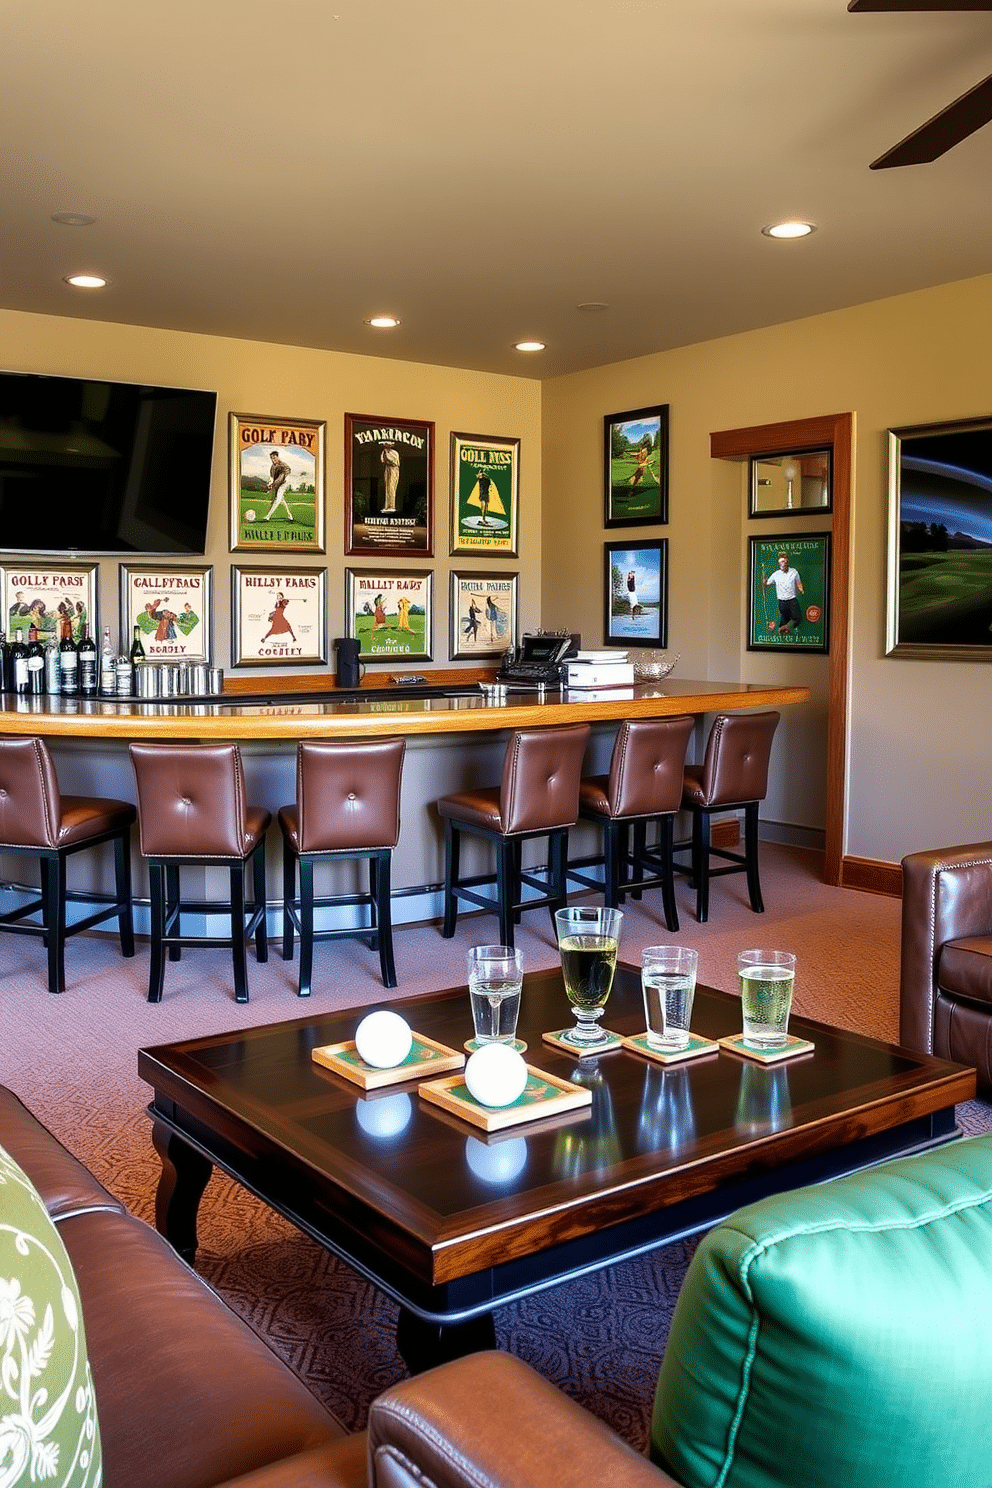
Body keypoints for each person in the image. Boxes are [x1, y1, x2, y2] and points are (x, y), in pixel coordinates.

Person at [764, 551, 805, 634]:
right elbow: (767, 583)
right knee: (785, 618)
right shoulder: (776, 574)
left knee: (797, 618)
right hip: (782, 601)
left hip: (792, 599)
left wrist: (801, 589)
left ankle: (785, 628)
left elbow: (798, 583)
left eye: (786, 561)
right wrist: (765, 582)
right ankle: (783, 629)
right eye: (782, 561)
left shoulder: (794, 572)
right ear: (779, 563)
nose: (784, 563)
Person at [264, 450, 293, 521]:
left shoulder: (283, 465)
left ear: (278, 457)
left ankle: (268, 516)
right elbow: (272, 478)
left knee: (277, 500)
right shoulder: (272, 467)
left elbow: (281, 478)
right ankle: (290, 516)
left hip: (284, 483)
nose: (272, 460)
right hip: (278, 484)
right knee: (281, 499)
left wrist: (273, 485)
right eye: (271, 458)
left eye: (274, 458)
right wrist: (270, 484)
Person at [381, 442, 400, 512]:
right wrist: (384, 454)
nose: (386, 447)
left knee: (392, 487)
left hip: (393, 469)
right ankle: (387, 506)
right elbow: (383, 461)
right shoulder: (384, 452)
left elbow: (393, 461)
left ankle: (392, 505)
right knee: (387, 487)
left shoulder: (394, 453)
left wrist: (386, 455)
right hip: (387, 469)